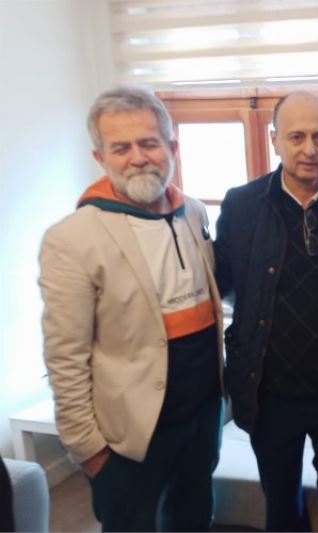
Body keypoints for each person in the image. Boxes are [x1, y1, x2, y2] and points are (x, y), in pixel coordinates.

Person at [38, 86, 224, 531]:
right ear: (100, 157)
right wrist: (88, 449)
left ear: (171, 147)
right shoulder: (72, 239)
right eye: (121, 148)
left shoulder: (194, 213)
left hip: (201, 420)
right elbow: (65, 356)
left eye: (149, 143)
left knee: (194, 520)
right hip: (128, 439)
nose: (138, 158)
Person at [214, 91, 318, 531]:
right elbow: (222, 282)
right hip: (269, 393)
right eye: (296, 137)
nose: (309, 149)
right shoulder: (242, 204)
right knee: (282, 509)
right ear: (275, 139)